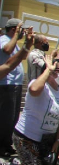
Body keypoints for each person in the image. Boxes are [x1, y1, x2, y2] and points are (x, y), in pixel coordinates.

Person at [0, 55, 59, 165]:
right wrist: (48, 69)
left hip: (46, 140)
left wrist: (58, 142)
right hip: (26, 138)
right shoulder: (39, 85)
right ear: (50, 71)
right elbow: (34, 90)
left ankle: (26, 164)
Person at [0, 19, 27, 157]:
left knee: (13, 117)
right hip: (6, 84)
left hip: (15, 84)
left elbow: (23, 56)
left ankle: (7, 143)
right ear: (13, 30)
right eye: (21, 30)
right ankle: (1, 145)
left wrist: (28, 44)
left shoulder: (14, 42)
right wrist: (17, 35)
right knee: (6, 117)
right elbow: (6, 50)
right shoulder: (4, 40)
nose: (22, 32)